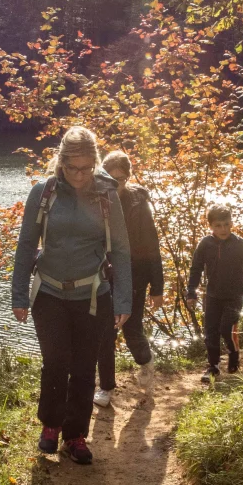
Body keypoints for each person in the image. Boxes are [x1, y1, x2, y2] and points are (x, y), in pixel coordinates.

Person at [11, 126, 131, 465]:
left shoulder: (107, 195)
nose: (78, 176)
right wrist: (19, 294)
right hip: (48, 293)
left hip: (93, 294)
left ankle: (75, 434)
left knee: (83, 366)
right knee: (55, 362)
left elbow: (121, 250)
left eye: (85, 168)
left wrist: (123, 300)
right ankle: (50, 425)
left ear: (94, 163)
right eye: (71, 168)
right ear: (60, 163)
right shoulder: (43, 193)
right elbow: (25, 246)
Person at [94, 150, 165, 407]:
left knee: (131, 326)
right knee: (105, 330)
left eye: (121, 179)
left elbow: (152, 246)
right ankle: (106, 387)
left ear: (129, 177)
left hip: (136, 275)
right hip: (105, 274)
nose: (116, 185)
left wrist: (158, 287)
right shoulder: (96, 200)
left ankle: (145, 362)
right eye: (110, 180)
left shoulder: (138, 204)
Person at [186, 203, 243, 383]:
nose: (223, 229)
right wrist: (191, 292)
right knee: (210, 331)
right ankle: (213, 366)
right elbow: (196, 268)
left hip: (234, 296)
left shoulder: (239, 244)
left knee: (227, 329)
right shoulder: (206, 244)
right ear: (210, 226)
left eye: (226, 224)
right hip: (212, 295)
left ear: (232, 223)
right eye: (218, 225)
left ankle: (234, 359)